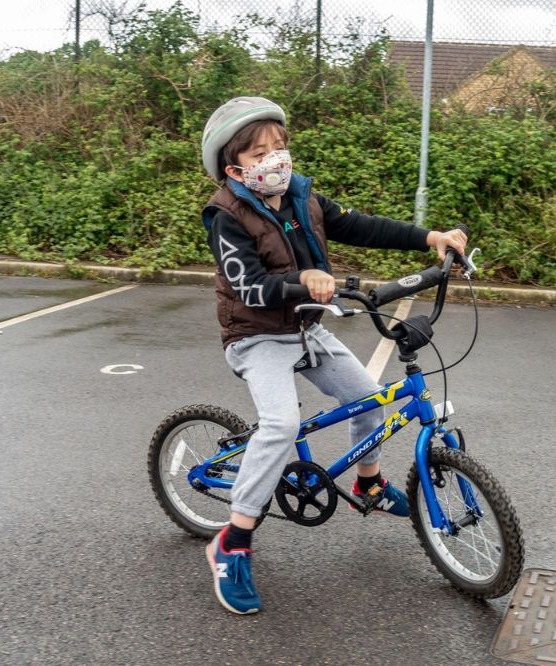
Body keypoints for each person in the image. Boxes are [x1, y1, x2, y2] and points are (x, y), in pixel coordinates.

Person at [200, 96, 467, 614]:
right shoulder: (225, 216)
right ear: (234, 168)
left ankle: (368, 485)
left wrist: (429, 236)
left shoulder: (302, 199)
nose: (277, 159)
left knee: (370, 398)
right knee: (279, 426)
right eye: (260, 154)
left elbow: (359, 226)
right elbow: (250, 288)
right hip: (255, 336)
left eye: (280, 147)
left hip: (306, 329)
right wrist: (303, 280)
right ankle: (231, 542)